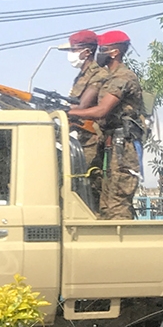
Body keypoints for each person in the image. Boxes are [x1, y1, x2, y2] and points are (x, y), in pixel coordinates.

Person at [68, 30, 145, 219]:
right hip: (111, 144)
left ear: (114, 53)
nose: (99, 53)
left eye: (103, 49)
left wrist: (69, 113)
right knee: (105, 205)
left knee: (117, 205)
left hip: (123, 147)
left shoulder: (123, 77)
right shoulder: (109, 78)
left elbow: (102, 110)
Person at [60, 29, 109, 206]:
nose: (71, 55)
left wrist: (64, 110)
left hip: (91, 139)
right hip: (79, 136)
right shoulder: (81, 76)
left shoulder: (99, 75)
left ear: (87, 52)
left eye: (74, 50)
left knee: (87, 181)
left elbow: (83, 105)